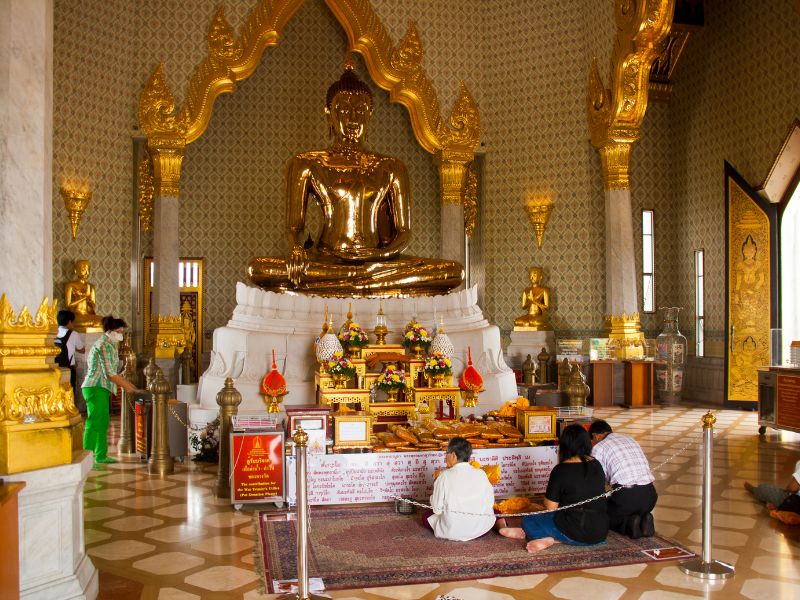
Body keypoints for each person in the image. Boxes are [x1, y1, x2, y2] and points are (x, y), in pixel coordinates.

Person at [247, 61, 463, 297]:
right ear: (328, 112)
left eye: (360, 110)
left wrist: (378, 257)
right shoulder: (307, 163)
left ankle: (355, 282)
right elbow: (294, 226)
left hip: (376, 263)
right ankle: (361, 284)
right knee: (258, 269)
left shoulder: (391, 167)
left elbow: (404, 232)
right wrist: (297, 250)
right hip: (326, 260)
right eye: (344, 109)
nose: (352, 118)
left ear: (370, 114)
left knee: (453, 272)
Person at [498, 424, 608, 553]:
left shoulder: (561, 469)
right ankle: (555, 539)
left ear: (564, 445)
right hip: (600, 532)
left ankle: (551, 539)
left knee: (529, 521)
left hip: (576, 530)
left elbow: (550, 507)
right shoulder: (597, 464)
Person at [82, 315, 138, 466]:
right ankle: (86, 456)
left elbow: (114, 372)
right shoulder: (105, 345)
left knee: (102, 422)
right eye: (119, 330)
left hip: (101, 387)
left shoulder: (110, 344)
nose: (122, 333)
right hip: (95, 387)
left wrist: (131, 386)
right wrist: (129, 388)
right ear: (111, 331)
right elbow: (110, 373)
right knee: (95, 422)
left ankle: (100, 455)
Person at [589, 419, 657, 539]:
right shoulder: (631, 439)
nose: (592, 444)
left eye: (592, 441)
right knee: (627, 504)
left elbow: (597, 480)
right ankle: (644, 517)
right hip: (650, 497)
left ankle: (629, 524)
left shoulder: (599, 447)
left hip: (626, 498)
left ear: (596, 436)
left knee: (600, 513)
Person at [426, 437, 496, 541]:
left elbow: (437, 510)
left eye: (446, 454)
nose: (445, 458)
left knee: (426, 516)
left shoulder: (444, 476)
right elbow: (490, 503)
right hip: (481, 530)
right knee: (495, 511)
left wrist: (436, 485)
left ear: (453, 455)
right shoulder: (481, 473)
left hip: (453, 532)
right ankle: (500, 526)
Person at [55, 309, 86, 413]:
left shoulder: (53, 332)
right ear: (69, 322)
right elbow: (82, 349)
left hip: (54, 368)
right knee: (69, 391)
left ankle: (58, 411)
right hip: (68, 368)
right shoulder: (74, 334)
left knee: (57, 391)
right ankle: (69, 412)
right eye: (72, 322)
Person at [64, 259, 103, 329]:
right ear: (76, 271)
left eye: (88, 270)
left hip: (87, 314)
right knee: (88, 323)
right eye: (83, 270)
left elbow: (93, 306)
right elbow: (68, 304)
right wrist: (84, 297)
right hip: (75, 315)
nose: (87, 273)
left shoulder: (91, 286)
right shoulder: (70, 285)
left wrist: (89, 300)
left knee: (102, 321)